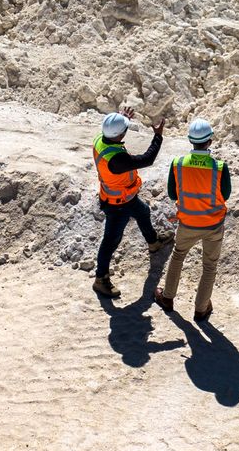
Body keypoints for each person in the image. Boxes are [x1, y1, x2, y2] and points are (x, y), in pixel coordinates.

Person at [91, 106, 171, 299]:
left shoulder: (101, 140)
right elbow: (147, 158)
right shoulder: (117, 160)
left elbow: (114, 130)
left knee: (143, 212)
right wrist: (158, 136)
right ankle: (100, 279)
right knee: (111, 241)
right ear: (120, 134)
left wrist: (120, 118)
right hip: (118, 204)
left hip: (124, 196)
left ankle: (153, 242)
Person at [156, 118, 231, 322]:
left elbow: (173, 194)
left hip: (187, 223)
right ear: (210, 141)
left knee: (178, 256)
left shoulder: (178, 164)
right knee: (209, 266)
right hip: (213, 225)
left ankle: (168, 297)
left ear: (191, 140)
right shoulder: (219, 167)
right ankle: (201, 308)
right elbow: (225, 195)